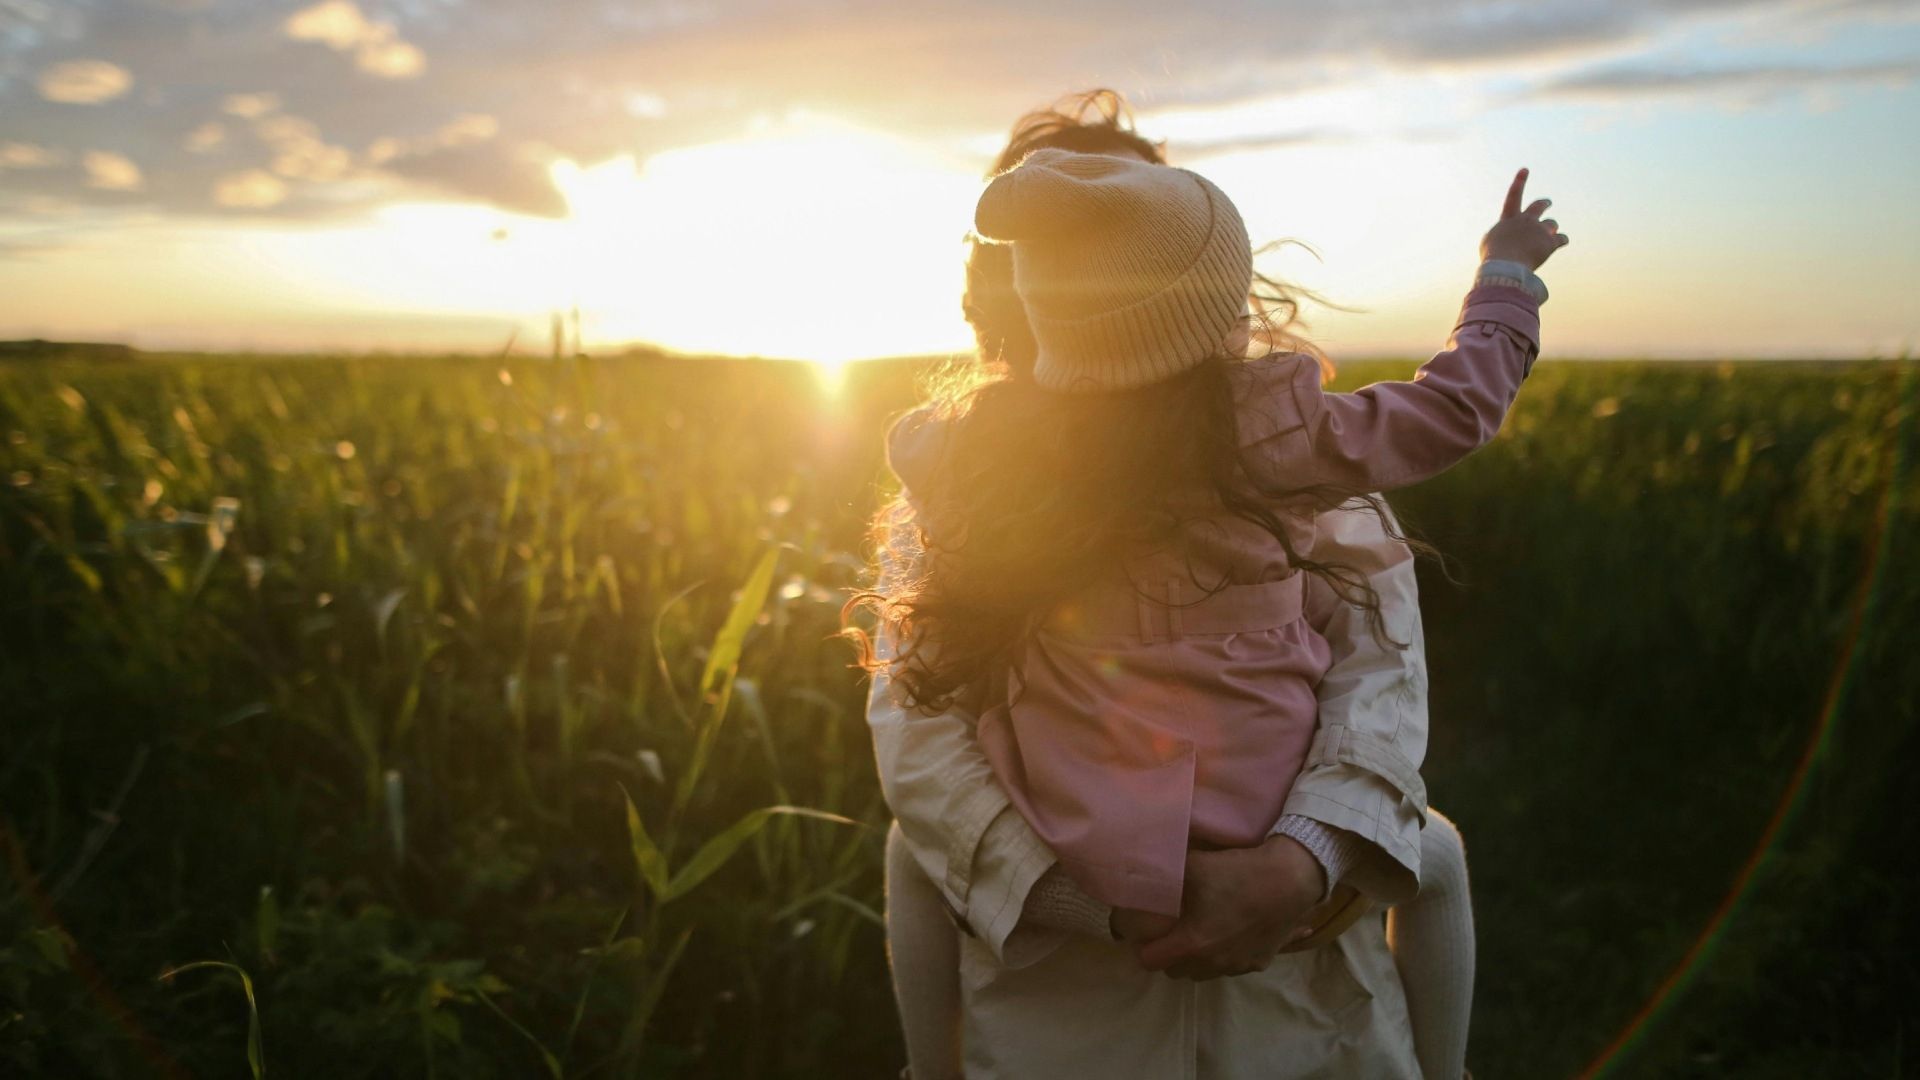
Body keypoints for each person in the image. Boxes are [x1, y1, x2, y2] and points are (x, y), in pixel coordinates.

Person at [854, 93, 1566, 1079]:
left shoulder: (980, 465)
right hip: (1057, 1010)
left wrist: (1297, 865)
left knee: (1428, 847)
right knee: (1433, 852)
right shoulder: (1285, 446)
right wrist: (1505, 284)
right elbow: (920, 734)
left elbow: (1380, 680)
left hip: (1306, 1005)